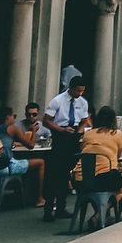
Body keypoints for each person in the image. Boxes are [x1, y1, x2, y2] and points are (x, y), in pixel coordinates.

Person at [43, 76, 91, 221]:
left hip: (74, 136)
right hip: (60, 135)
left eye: (82, 91)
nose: (79, 94)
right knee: (54, 174)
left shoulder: (82, 102)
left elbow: (84, 120)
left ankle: (61, 208)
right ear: (71, 88)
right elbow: (46, 120)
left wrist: (81, 130)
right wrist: (60, 130)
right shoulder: (58, 100)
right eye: (77, 91)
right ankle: (48, 209)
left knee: (66, 174)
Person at [72, 105, 122, 215]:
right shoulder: (117, 134)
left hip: (80, 180)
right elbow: (117, 156)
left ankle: (101, 214)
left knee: (94, 192)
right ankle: (100, 213)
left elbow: (84, 151)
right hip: (103, 179)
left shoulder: (88, 134)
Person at [0, 107, 46, 206]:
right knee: (41, 162)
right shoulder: (13, 128)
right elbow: (31, 145)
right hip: (6, 165)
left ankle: (24, 192)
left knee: (23, 160)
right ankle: (40, 198)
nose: (14, 119)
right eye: (13, 116)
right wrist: (33, 131)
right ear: (8, 117)